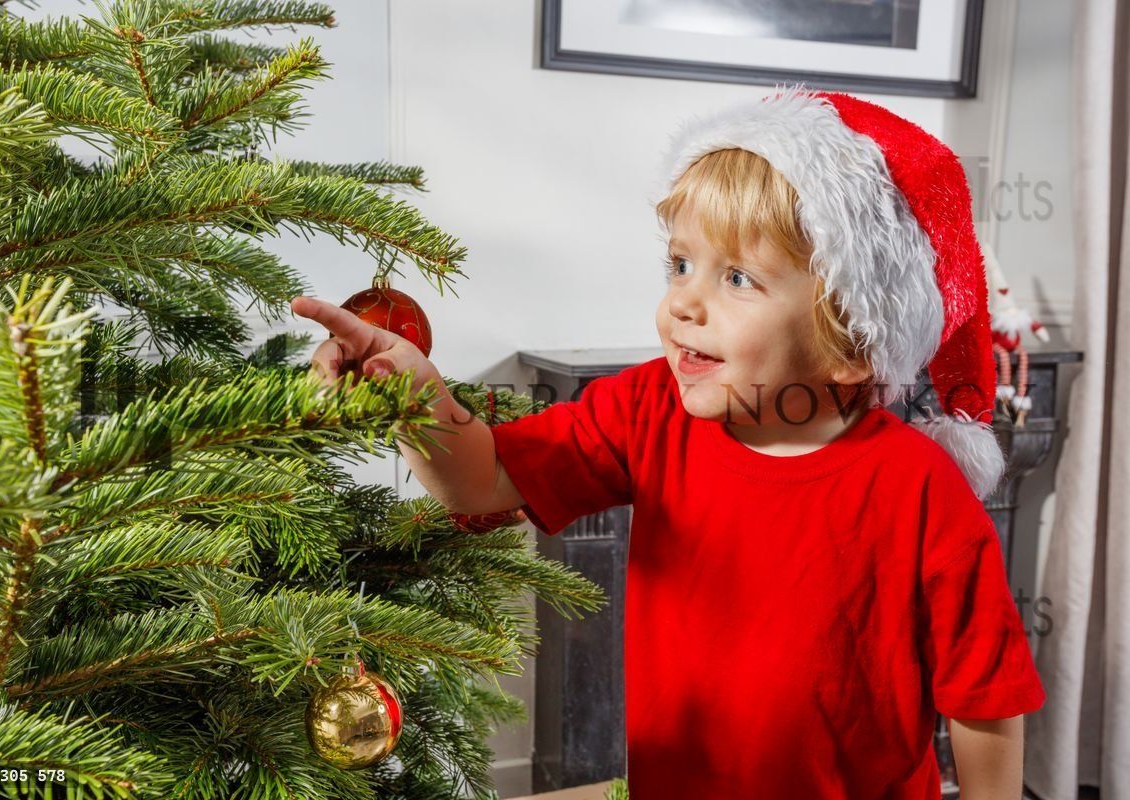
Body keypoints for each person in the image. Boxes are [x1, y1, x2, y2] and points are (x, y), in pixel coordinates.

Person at [290, 83, 1046, 799]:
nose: (683, 300)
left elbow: (984, 699)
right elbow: (481, 479)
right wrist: (411, 390)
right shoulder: (648, 410)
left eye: (737, 279)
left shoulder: (918, 487)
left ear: (852, 339)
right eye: (680, 264)